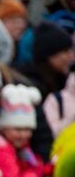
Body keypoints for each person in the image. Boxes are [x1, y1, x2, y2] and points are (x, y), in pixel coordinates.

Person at [17, 22, 75, 161]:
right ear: (50, 55)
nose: (71, 57)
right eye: (65, 52)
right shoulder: (32, 86)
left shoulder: (62, 81)